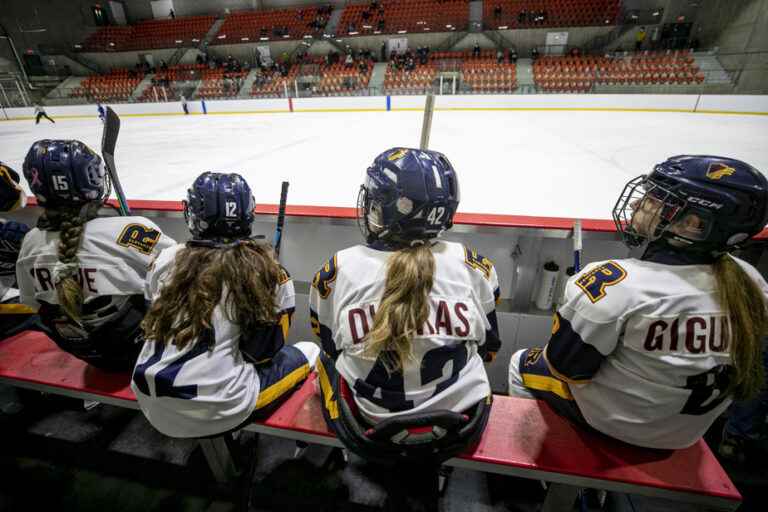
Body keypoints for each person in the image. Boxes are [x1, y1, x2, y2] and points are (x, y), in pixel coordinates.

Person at [508, 155, 768, 450]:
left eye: (655, 200)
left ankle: (537, 458)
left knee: (521, 363)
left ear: (693, 224)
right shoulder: (751, 282)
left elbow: (565, 369)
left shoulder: (617, 284)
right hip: (687, 434)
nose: (636, 204)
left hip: (619, 426)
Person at [311, 147, 499, 463]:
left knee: (325, 361)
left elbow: (329, 344)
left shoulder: (337, 270)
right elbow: (489, 349)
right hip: (460, 421)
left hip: (370, 424)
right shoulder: (476, 266)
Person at [131, 172, 318, 438]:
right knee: (309, 350)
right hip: (217, 408)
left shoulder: (166, 259)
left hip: (148, 400)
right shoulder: (272, 274)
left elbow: (154, 316)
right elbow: (263, 354)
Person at [16, 140, 175, 370]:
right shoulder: (131, 230)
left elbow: (33, 303)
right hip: (140, 350)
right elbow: (181, 275)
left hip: (86, 354)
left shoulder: (30, 244)